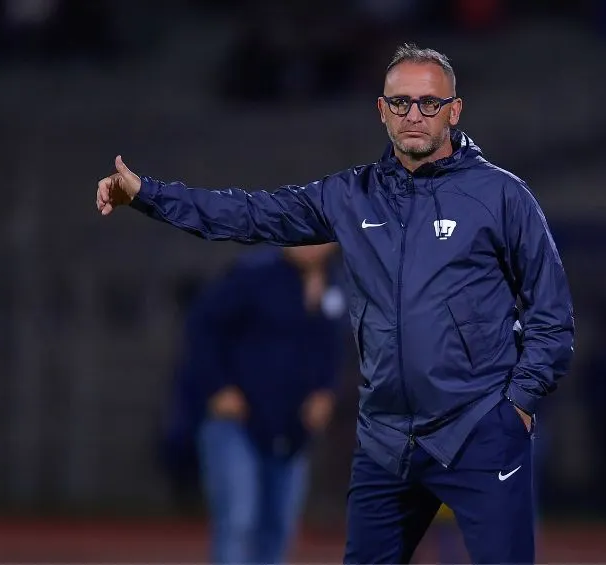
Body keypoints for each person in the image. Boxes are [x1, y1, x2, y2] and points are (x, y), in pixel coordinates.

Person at [96, 43, 576, 565]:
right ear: (381, 110)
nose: (413, 115)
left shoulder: (502, 197)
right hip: (387, 442)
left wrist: (516, 407)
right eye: (400, 103)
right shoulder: (351, 196)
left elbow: (552, 316)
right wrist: (146, 194)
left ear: (454, 111)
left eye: (429, 103)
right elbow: (249, 214)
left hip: (479, 431)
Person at [164, 243, 345, 564]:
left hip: (293, 429)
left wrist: (325, 392)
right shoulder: (253, 274)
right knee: (238, 519)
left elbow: (333, 349)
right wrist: (218, 388)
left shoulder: (337, 285)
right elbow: (202, 325)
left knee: (278, 526)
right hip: (237, 424)